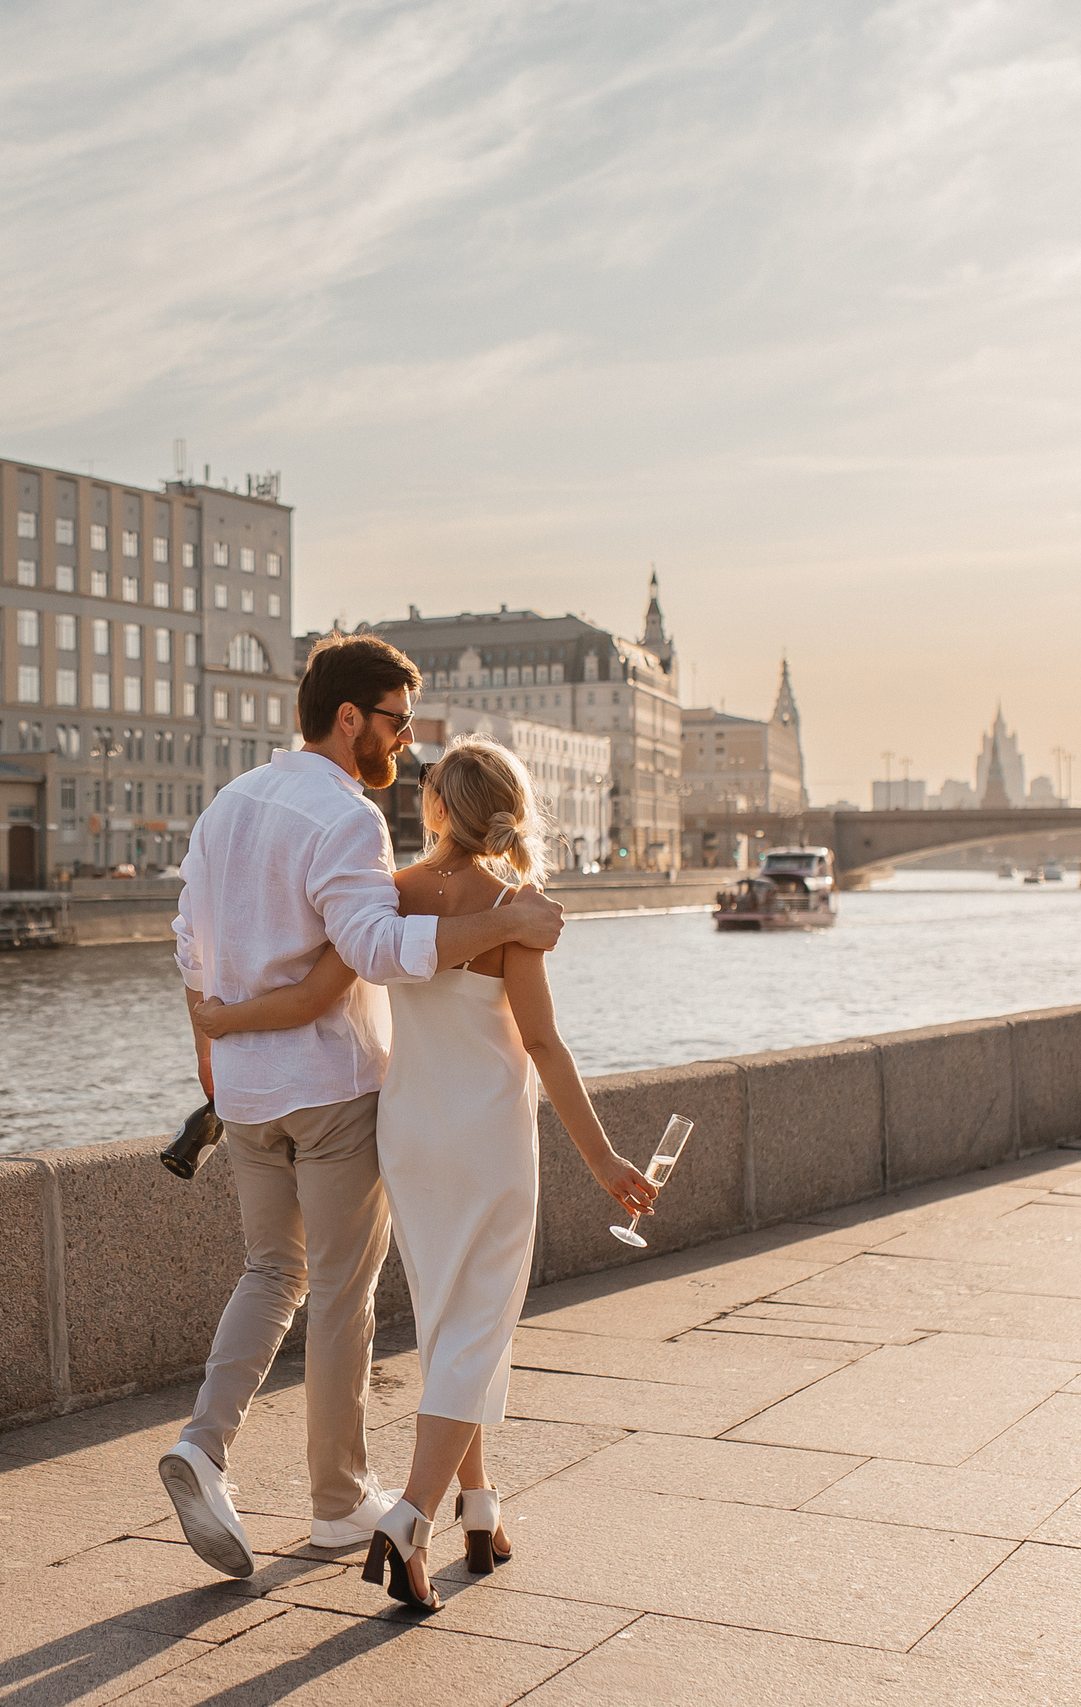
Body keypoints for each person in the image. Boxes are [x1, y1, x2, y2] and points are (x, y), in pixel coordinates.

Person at [193, 737, 655, 1611]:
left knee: (452, 1318)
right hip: (486, 1135)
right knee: (478, 1322)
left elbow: (330, 979)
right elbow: (544, 1045)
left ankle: (479, 1507)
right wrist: (603, 1159)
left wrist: (222, 1019)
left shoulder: (396, 895)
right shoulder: (513, 911)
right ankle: (411, 1517)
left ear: (436, 807)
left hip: (408, 1133)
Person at [159, 636, 574, 1581]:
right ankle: (341, 1500)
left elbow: (189, 944)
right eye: (394, 720)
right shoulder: (345, 819)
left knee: (272, 1271)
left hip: (248, 1093)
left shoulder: (227, 806)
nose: (402, 739)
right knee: (343, 1291)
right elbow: (378, 947)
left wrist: (211, 1053)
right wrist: (506, 920)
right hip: (333, 1086)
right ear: (350, 718)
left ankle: (203, 1443)